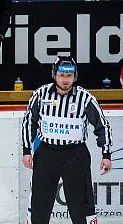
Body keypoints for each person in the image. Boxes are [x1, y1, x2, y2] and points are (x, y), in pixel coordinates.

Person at [22, 56, 112, 224]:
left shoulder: (85, 98)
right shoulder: (41, 94)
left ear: (75, 76)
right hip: (46, 152)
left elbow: (103, 126)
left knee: (81, 206)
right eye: (62, 75)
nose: (65, 80)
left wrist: (106, 154)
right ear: (54, 75)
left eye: (69, 76)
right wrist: (27, 151)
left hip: (75, 155)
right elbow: (29, 122)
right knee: (40, 205)